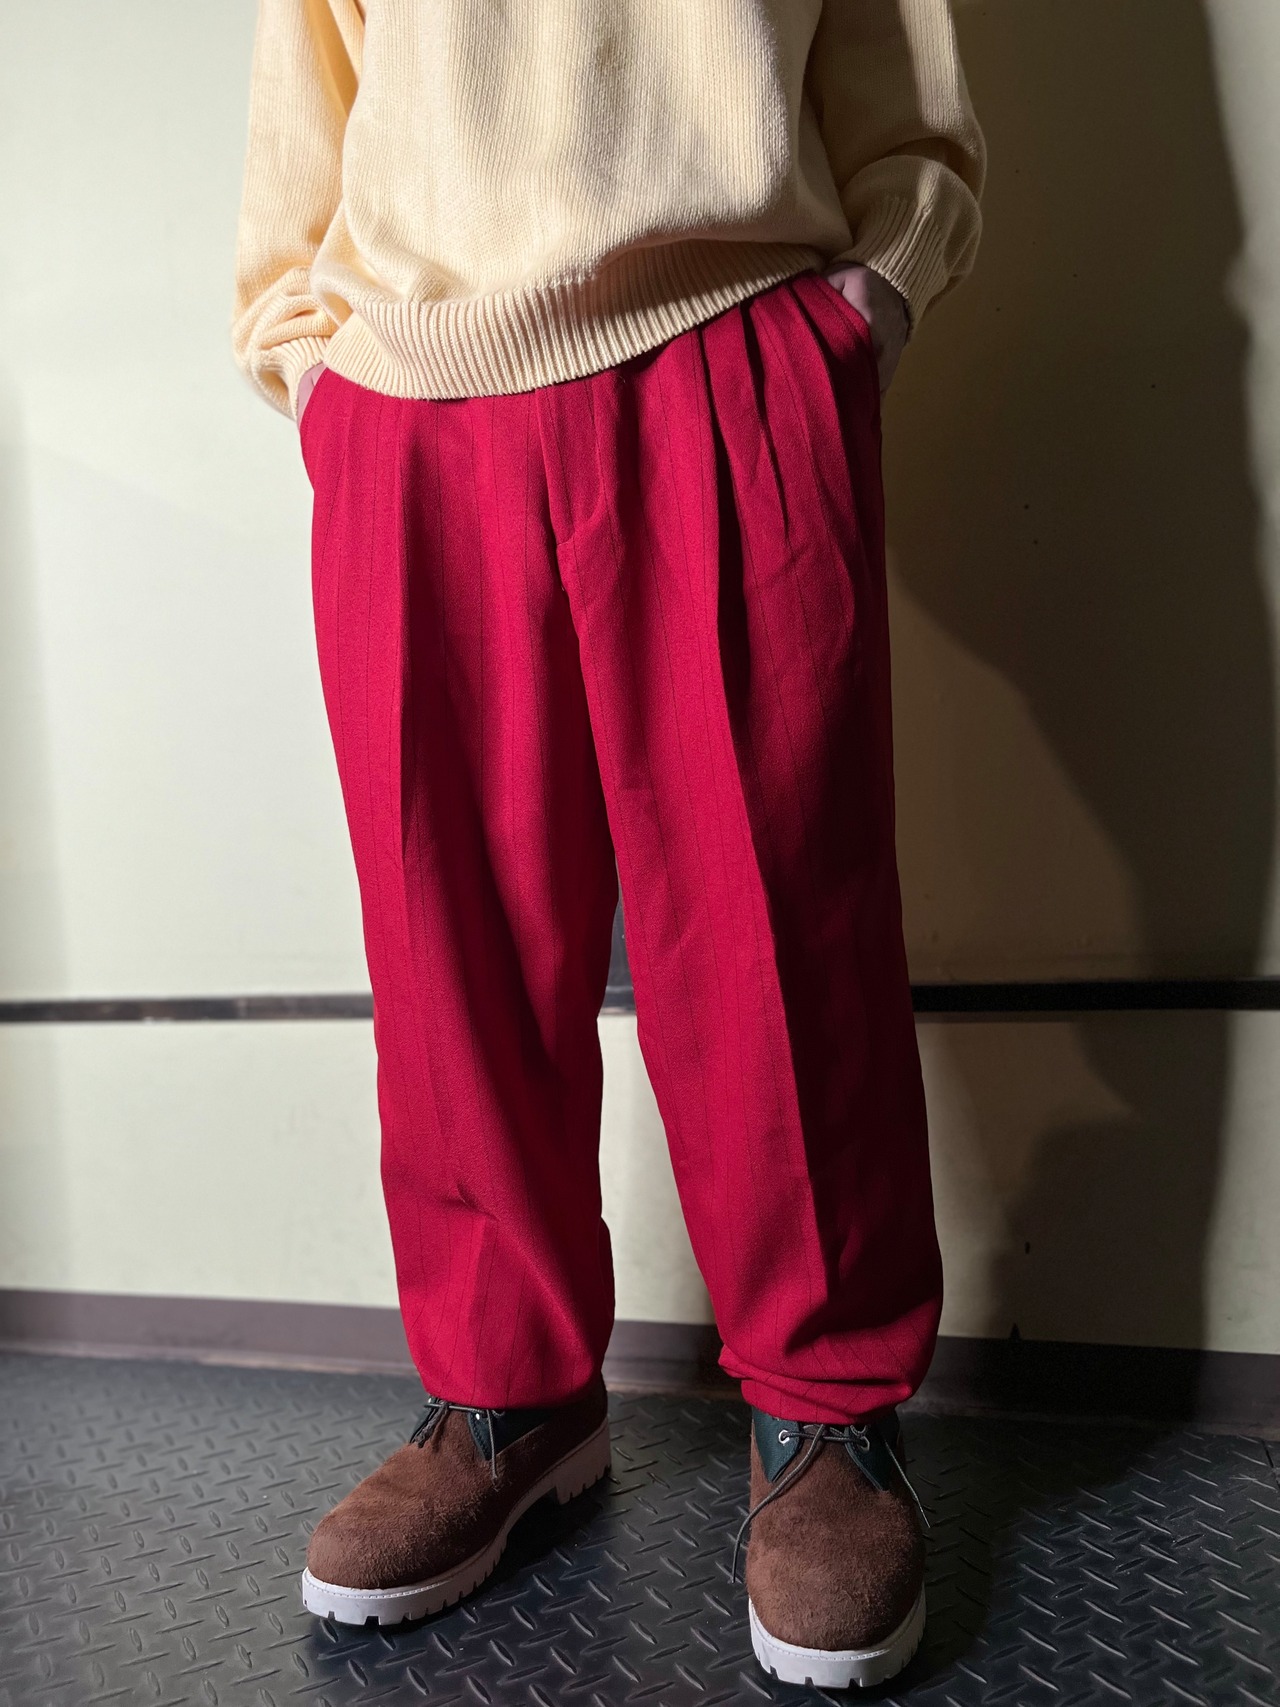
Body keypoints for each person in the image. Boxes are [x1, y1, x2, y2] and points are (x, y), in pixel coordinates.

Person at [231, 0, 984, 1688]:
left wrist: (864, 302)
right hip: (409, 398)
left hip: (728, 342)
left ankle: (826, 1412)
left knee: (781, 921)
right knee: (448, 940)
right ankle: (509, 1395)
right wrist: (315, 366)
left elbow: (902, 80)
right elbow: (308, 82)